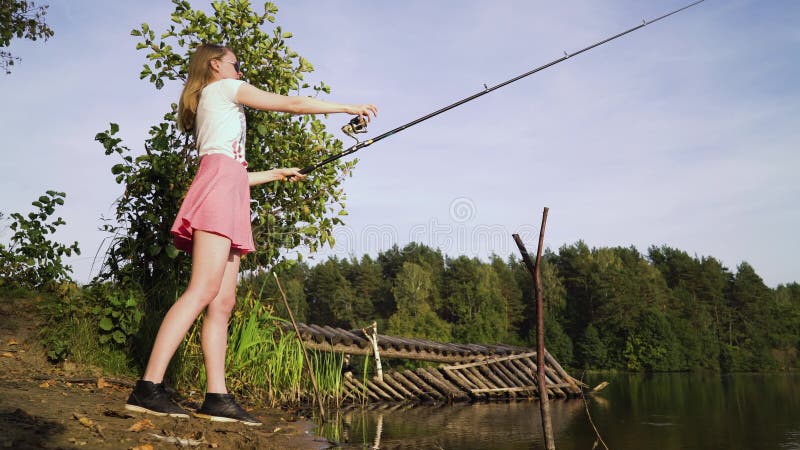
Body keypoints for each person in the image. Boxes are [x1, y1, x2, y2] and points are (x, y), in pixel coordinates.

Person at [124, 43, 377, 426]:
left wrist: (275, 174)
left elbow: (232, 170)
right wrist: (347, 108)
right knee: (202, 289)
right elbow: (289, 104)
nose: (240, 72)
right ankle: (148, 386)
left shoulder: (219, 101)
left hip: (231, 189)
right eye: (235, 65)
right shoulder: (223, 89)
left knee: (222, 302)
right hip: (220, 191)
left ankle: (217, 396)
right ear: (215, 66)